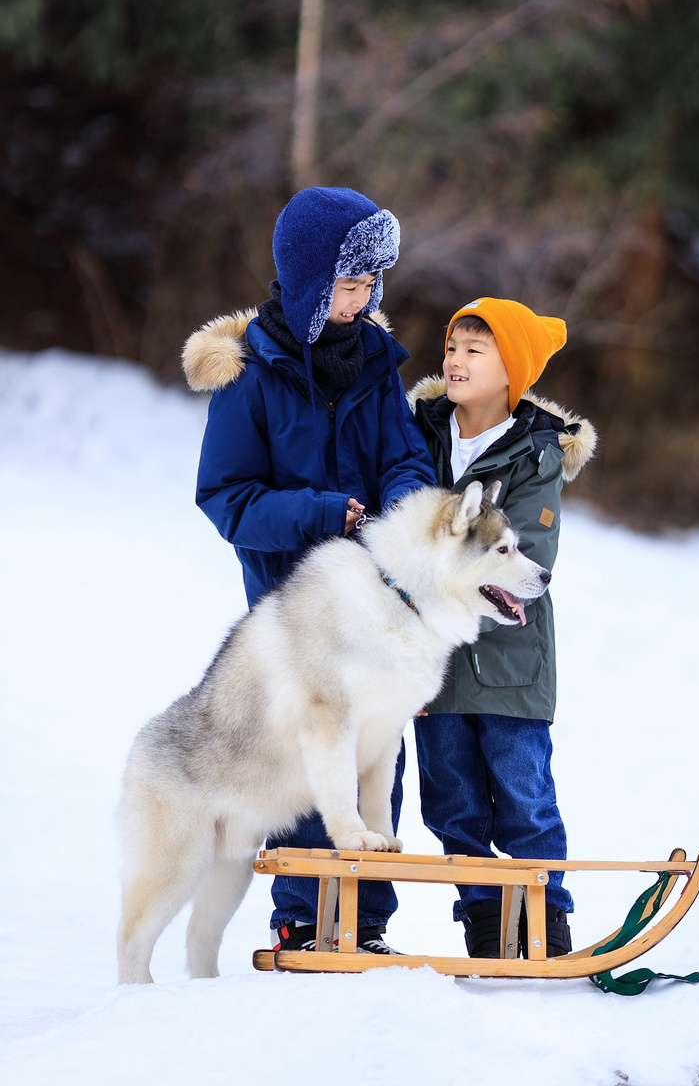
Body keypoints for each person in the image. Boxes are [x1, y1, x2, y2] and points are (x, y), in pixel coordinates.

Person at [182, 185, 437, 953]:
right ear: (309, 283)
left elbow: (406, 456)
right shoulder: (250, 374)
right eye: (350, 286)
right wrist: (323, 513)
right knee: (305, 755)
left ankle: (365, 920)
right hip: (293, 610)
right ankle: (300, 915)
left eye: (370, 287)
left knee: (373, 751)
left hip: (374, 600)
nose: (362, 302)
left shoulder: (377, 364)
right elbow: (226, 498)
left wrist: (396, 509)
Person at [406, 298, 596, 957]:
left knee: (523, 797)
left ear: (509, 368)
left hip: (509, 664)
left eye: (473, 350)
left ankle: (549, 927)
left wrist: (431, 553)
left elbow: (525, 556)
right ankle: (487, 928)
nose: (454, 361)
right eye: (451, 346)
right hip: (430, 660)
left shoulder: (534, 454)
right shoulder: (419, 434)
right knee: (452, 802)